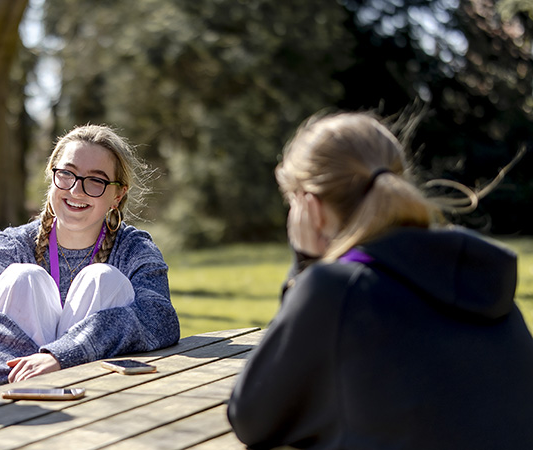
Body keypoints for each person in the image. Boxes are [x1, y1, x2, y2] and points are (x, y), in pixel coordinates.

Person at [227, 111, 533, 449]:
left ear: (309, 206)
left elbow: (252, 417)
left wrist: (305, 268)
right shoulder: (482, 274)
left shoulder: (336, 289)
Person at [0, 124, 180, 392]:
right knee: (23, 278)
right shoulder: (11, 246)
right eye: (67, 174)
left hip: (94, 400)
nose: (76, 190)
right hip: (13, 395)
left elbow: (160, 319)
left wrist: (61, 357)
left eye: (96, 180)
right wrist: (38, 370)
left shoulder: (134, 249)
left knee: (102, 279)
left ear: (118, 195)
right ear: (52, 176)